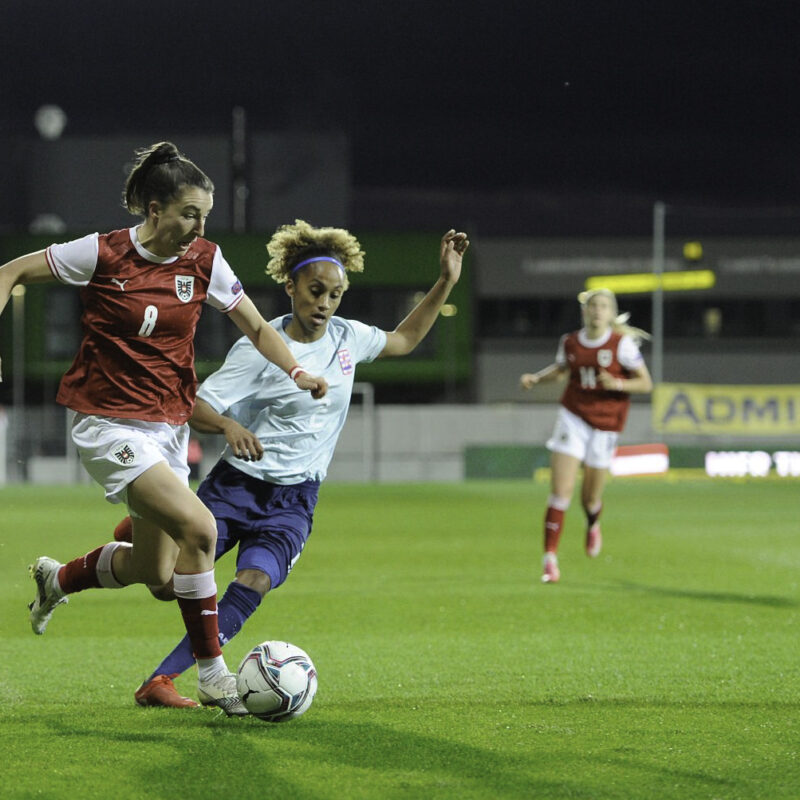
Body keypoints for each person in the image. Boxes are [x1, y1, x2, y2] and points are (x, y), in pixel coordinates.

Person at [0, 142, 328, 716]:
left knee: (156, 573)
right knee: (201, 528)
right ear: (154, 209)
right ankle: (213, 677)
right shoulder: (101, 254)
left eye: (204, 216)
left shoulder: (205, 261)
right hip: (106, 422)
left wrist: (297, 368)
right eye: (188, 214)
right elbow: (10, 270)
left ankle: (59, 580)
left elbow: (254, 325)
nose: (198, 227)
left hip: (167, 427)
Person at [112, 219, 469, 708]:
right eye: (315, 290)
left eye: (335, 294)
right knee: (163, 586)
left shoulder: (347, 338)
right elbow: (192, 405)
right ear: (291, 286)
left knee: (254, 581)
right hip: (235, 486)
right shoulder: (259, 350)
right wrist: (231, 428)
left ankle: (162, 679)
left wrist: (446, 280)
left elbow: (403, 340)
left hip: (295, 498)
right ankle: (146, 528)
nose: (324, 303)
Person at [519, 288, 653, 584]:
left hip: (605, 424)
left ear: (610, 312)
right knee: (560, 492)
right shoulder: (570, 342)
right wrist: (537, 379)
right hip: (573, 418)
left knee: (589, 498)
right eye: (592, 305)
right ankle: (549, 560)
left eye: (603, 306)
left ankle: (593, 521)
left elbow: (645, 384)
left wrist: (617, 383)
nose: (597, 311)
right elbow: (562, 369)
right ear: (585, 311)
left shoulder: (622, 345)